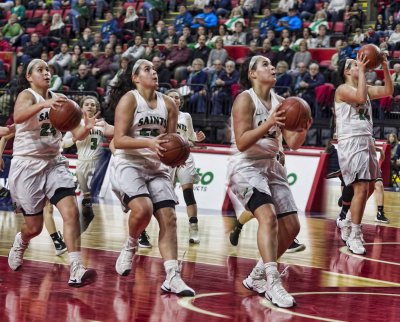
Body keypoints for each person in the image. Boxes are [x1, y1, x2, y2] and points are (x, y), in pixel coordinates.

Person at [229, 55, 311, 308]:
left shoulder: (282, 103)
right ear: (252, 73)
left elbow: (293, 144)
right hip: (246, 167)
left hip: (272, 167)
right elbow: (242, 142)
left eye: (272, 64)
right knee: (267, 216)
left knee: (293, 227)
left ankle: (257, 276)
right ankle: (273, 281)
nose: (272, 67)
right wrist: (268, 123)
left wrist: (303, 127)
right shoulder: (245, 99)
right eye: (264, 64)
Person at [7, 59, 98, 286]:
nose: (46, 73)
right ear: (29, 76)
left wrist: (85, 128)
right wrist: (45, 104)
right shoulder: (27, 96)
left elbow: (76, 134)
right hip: (27, 165)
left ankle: (76, 266)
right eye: (40, 69)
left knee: (70, 212)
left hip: (54, 162)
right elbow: (18, 117)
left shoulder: (61, 99)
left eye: (48, 69)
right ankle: (21, 241)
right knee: (34, 228)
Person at [109, 59, 195, 296]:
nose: (153, 73)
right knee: (143, 208)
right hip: (128, 163)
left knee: (169, 218)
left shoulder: (168, 104)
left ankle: (172, 276)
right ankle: (130, 244)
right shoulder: (129, 99)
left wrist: (177, 154)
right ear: (136, 77)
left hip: (156, 166)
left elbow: (169, 142)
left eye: (155, 69)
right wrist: (149, 142)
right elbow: (119, 139)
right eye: (147, 69)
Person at [334, 54, 393, 255]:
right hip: (350, 141)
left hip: (366, 139)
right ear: (346, 71)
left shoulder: (364, 89)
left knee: (369, 187)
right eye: (353, 65)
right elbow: (359, 98)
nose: (359, 66)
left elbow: (388, 90)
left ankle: (348, 220)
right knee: (360, 187)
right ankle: (355, 235)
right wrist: (363, 70)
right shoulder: (342, 89)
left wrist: (385, 67)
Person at [62, 96, 114, 232]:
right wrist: (75, 137)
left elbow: (119, 132)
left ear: (97, 108)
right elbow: (63, 144)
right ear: (81, 107)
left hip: (97, 164)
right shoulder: (75, 123)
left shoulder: (102, 124)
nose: (90, 106)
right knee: (80, 198)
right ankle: (80, 221)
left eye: (93, 104)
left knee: (85, 198)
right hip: (81, 163)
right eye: (87, 104)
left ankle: (79, 223)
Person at [166, 89, 205, 243]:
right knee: (167, 196)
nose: (174, 99)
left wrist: (197, 138)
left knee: (188, 192)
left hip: (185, 157)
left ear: (180, 101)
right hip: (167, 159)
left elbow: (190, 136)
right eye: (171, 97)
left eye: (177, 97)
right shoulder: (161, 115)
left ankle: (193, 229)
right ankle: (169, 228)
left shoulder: (186, 116)